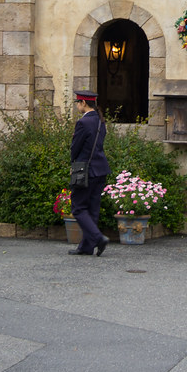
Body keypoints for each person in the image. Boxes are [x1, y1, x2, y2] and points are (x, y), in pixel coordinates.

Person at [68, 90, 111, 256]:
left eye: (78, 103)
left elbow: (75, 147)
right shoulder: (100, 122)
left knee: (78, 207)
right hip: (101, 169)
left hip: (86, 170)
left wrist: (73, 163)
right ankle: (86, 247)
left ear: (83, 103)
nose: (78, 105)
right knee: (92, 209)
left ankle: (98, 238)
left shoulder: (83, 123)